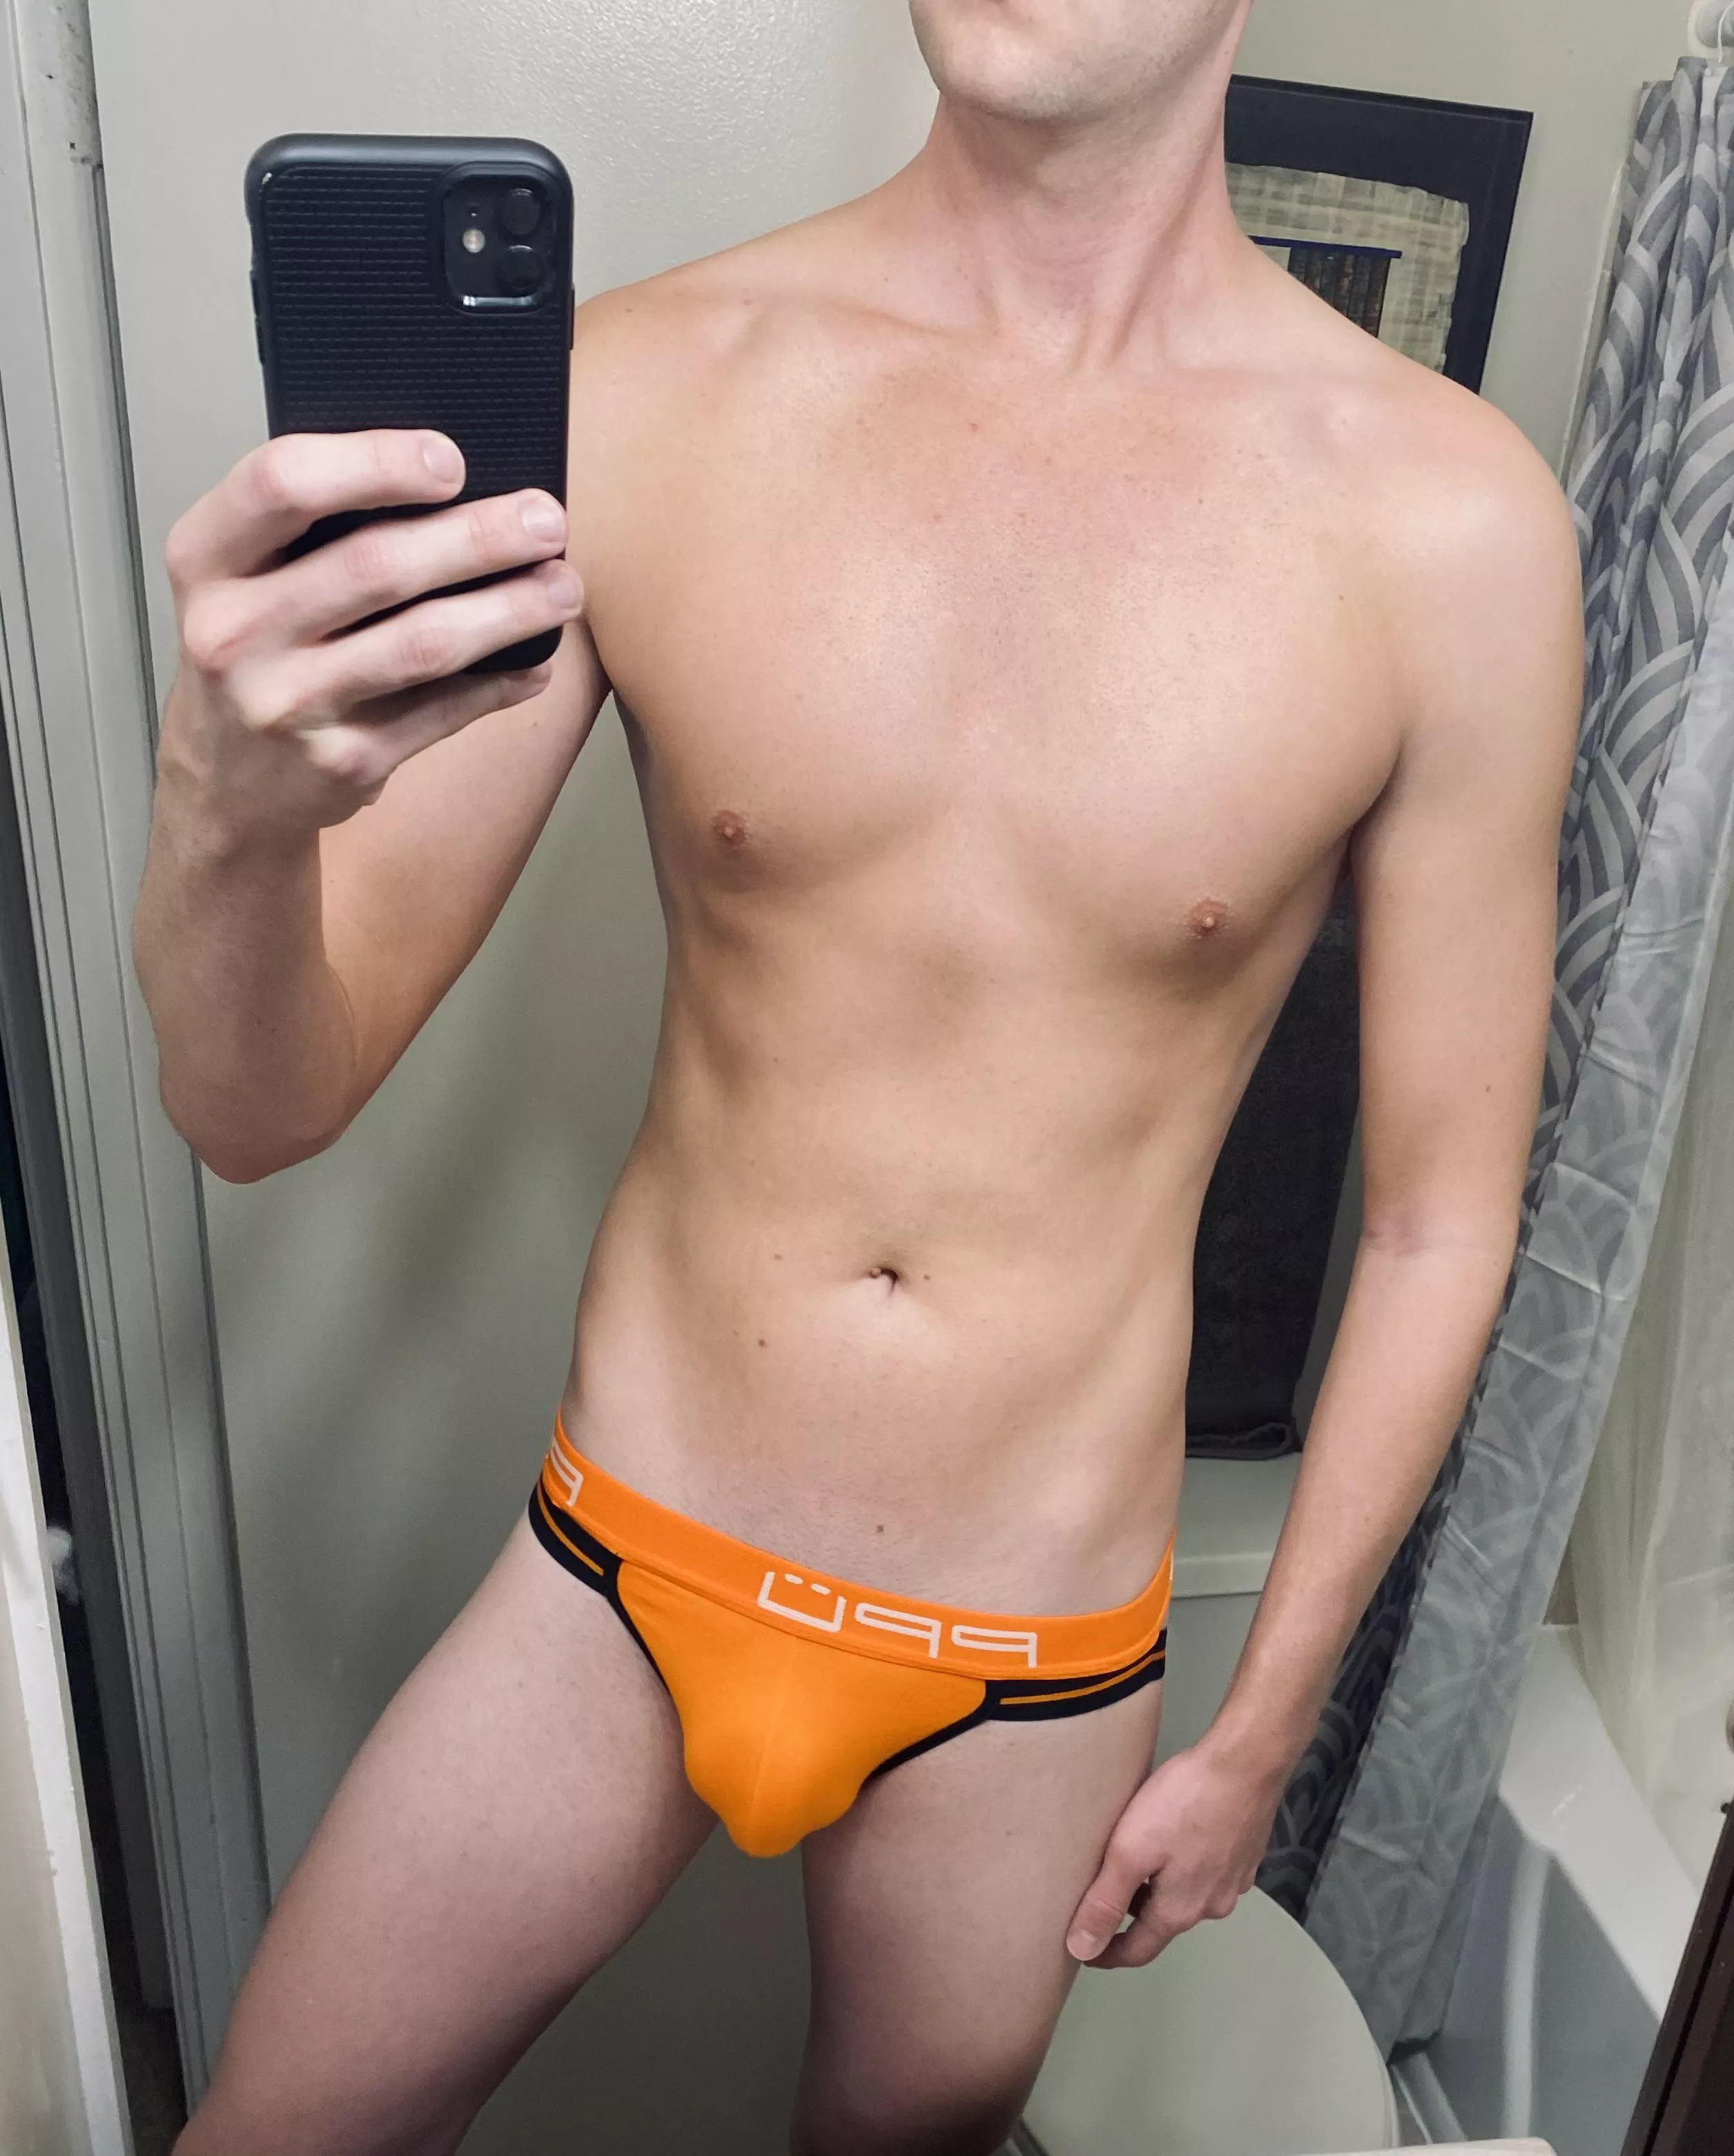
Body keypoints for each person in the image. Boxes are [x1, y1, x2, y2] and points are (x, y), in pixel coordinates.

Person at [136, 2, 1584, 2150]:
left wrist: (1261, 1726)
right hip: (622, 1568)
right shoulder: (644, 391)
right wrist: (224, 809)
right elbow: (257, 1105)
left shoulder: (1450, 529)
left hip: (1030, 1659)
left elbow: (1440, 1217)